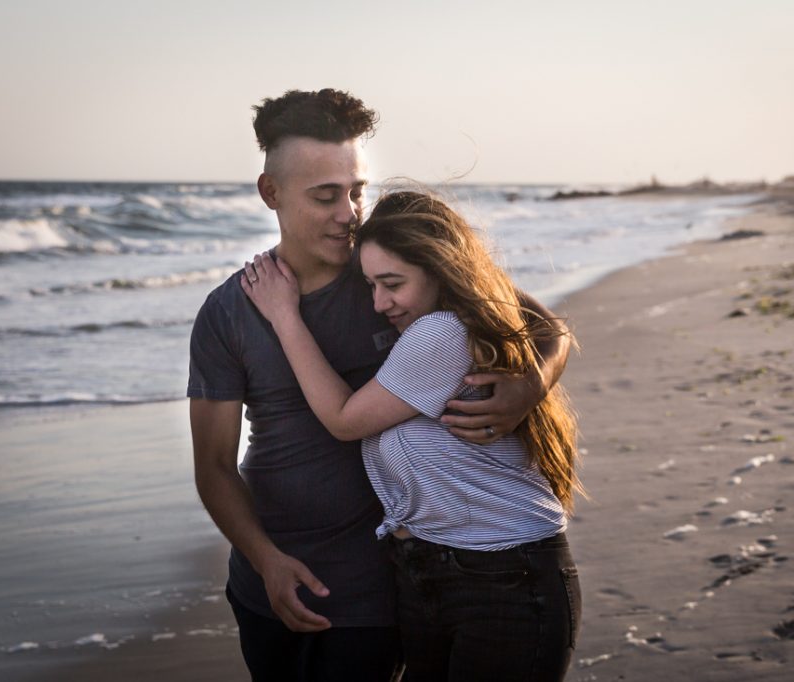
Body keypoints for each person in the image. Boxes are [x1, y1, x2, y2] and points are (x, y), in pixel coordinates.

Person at [187, 89, 571, 681]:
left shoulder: (400, 278)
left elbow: (548, 328)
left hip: (386, 586)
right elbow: (213, 464)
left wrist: (529, 387)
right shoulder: (230, 311)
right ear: (271, 193)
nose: (349, 212)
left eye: (356, 190)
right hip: (268, 583)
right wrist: (265, 562)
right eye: (325, 195)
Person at [240, 189, 583, 681]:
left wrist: (284, 315)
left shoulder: (440, 333)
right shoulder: (439, 323)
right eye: (370, 285)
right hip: (432, 576)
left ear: (439, 270)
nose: (379, 303)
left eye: (392, 283)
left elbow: (343, 419)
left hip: (504, 584)